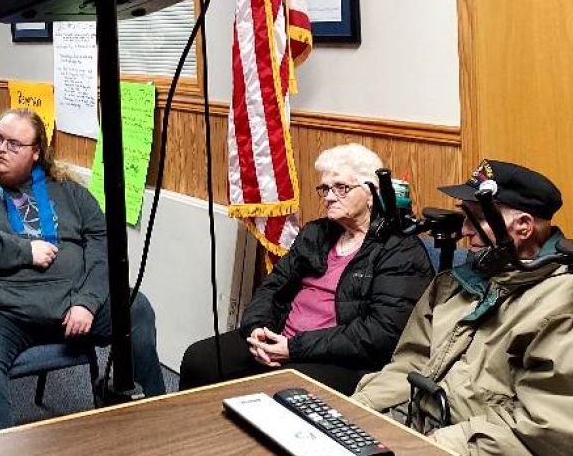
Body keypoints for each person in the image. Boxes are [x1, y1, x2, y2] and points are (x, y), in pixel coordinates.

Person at [354, 160, 573, 456]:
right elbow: (409, 364)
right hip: (425, 441)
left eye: (476, 218)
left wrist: (436, 448)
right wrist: (355, 414)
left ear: (523, 227)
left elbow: (558, 432)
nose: (464, 232)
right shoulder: (457, 284)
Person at [0, 109, 167, 435]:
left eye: (14, 144)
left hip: (70, 304)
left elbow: (104, 242)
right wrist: (24, 251)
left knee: (134, 307)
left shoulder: (66, 189)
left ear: (36, 152)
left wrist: (87, 300)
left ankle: (156, 419)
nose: (0, 148)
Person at [178, 143, 434, 394]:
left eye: (342, 188)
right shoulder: (316, 233)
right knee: (200, 360)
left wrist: (294, 348)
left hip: (340, 360)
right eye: (325, 189)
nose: (330, 197)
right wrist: (257, 329)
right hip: (282, 338)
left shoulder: (399, 250)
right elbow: (272, 287)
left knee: (279, 389)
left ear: (371, 193)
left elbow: (380, 334)